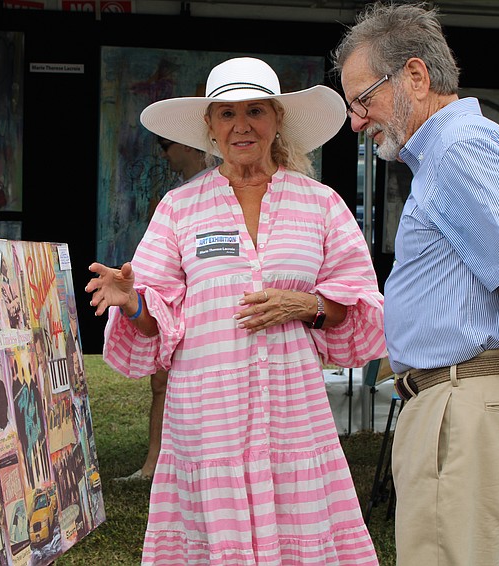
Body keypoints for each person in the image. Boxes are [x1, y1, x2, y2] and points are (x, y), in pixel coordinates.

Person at [86, 56, 385, 565]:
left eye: (254, 111)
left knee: (299, 521)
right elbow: (158, 318)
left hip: (293, 410)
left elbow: (356, 300)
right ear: (210, 126)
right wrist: (134, 300)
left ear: (277, 120)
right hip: (207, 414)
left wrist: (306, 303)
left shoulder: (321, 204)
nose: (241, 125)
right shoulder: (180, 208)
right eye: (226, 113)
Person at [332, 4, 499, 565]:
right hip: (464, 406)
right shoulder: (457, 149)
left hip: (460, 408)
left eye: (362, 99)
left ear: (416, 77)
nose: (356, 121)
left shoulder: (458, 150)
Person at [117, 136, 211, 482]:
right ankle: (155, 462)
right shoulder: (181, 198)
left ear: (187, 146)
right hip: (174, 308)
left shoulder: (207, 191)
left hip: (199, 317)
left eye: (167, 148)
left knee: (175, 385)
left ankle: (164, 464)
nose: (164, 157)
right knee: (162, 383)